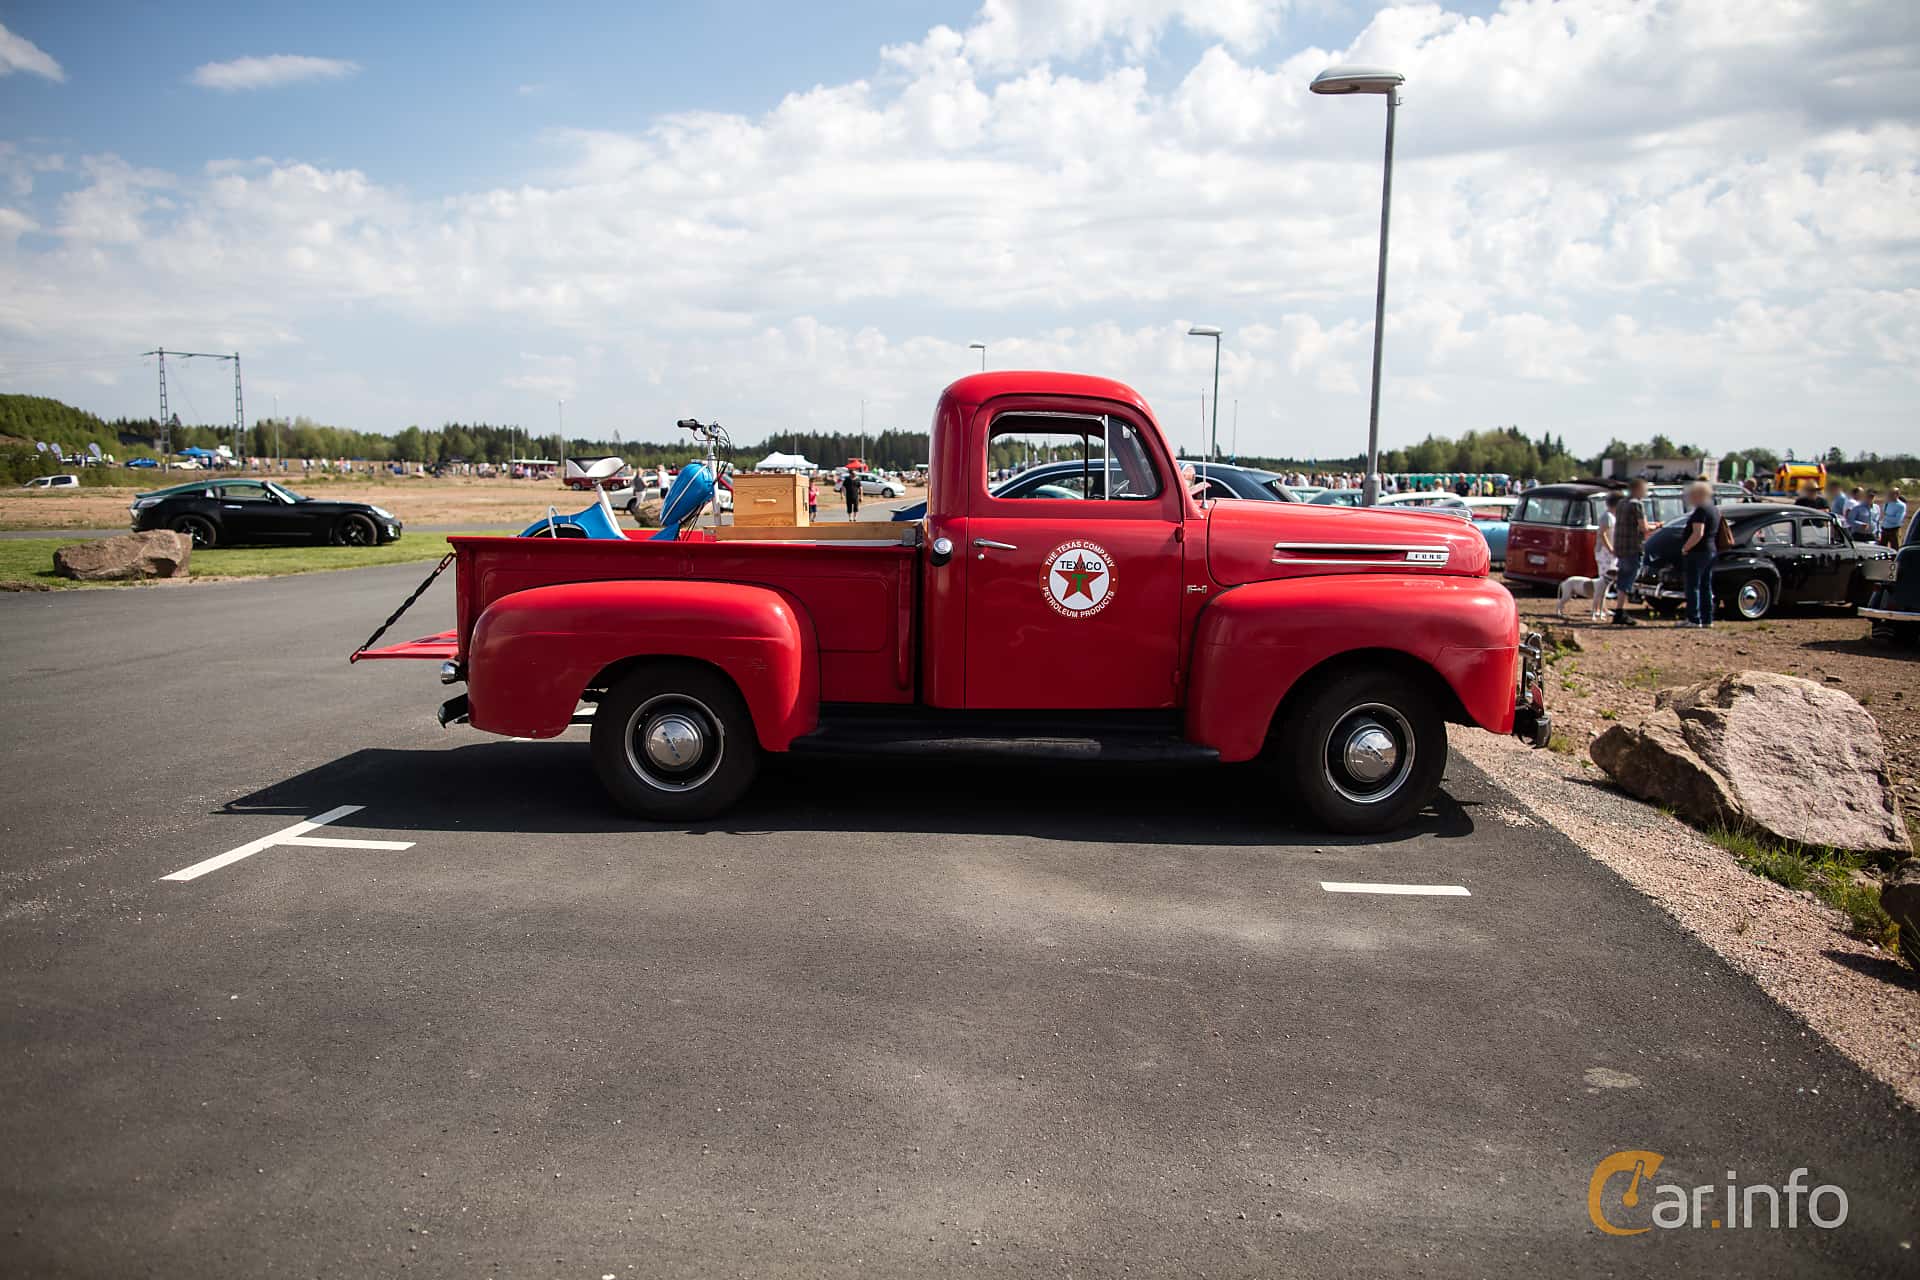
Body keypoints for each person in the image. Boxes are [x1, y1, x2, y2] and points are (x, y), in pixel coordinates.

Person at [1678, 479, 1720, 628]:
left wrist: (1685, 548)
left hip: (1697, 552)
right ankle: (1707, 619)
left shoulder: (1701, 510)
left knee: (1693, 586)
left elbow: (1698, 533)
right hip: (1710, 551)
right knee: (1706, 586)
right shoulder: (1713, 509)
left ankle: (1693, 619)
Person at [1611, 478, 1649, 626]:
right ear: (1638, 489)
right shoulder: (1637, 505)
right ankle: (1620, 612)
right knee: (1628, 580)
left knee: (1622, 579)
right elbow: (1643, 528)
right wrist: (1657, 526)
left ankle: (1619, 610)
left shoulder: (1621, 503)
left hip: (1621, 547)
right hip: (1633, 547)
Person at [1593, 493, 1622, 622]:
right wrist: (1611, 549)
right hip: (1605, 552)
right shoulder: (1607, 517)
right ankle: (1598, 609)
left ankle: (1603, 607)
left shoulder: (1612, 517)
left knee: (1607, 583)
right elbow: (1602, 534)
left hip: (1608, 552)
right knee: (1603, 582)